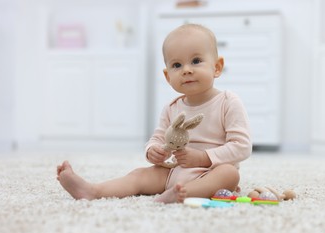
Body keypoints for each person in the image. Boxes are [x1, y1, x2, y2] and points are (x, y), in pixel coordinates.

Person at [56, 24, 252, 203]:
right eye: (177, 65)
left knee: (229, 174)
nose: (186, 70)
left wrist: (203, 158)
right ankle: (93, 191)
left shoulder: (228, 102)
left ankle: (183, 193)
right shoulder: (172, 107)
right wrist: (153, 151)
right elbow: (158, 137)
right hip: (172, 172)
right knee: (139, 175)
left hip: (210, 172)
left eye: (196, 61)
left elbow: (241, 147)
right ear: (167, 76)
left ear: (217, 67)